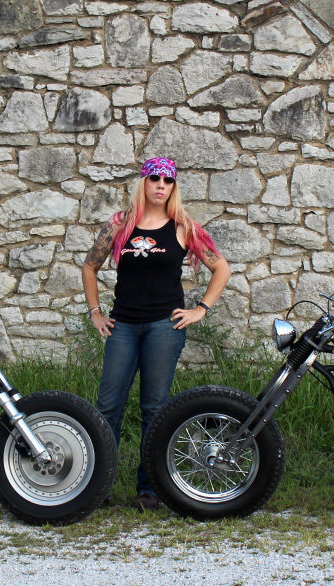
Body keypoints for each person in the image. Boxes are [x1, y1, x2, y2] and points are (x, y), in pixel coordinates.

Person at [81, 157, 232, 510]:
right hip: (124, 326)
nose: (161, 185)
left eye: (167, 180)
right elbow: (90, 265)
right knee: (108, 406)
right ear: (144, 183)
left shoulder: (182, 226)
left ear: (173, 186)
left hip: (164, 328)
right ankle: (98, 486)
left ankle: (149, 489)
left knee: (154, 408)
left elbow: (221, 268)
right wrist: (95, 313)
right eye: (154, 178)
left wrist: (200, 309)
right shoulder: (120, 225)